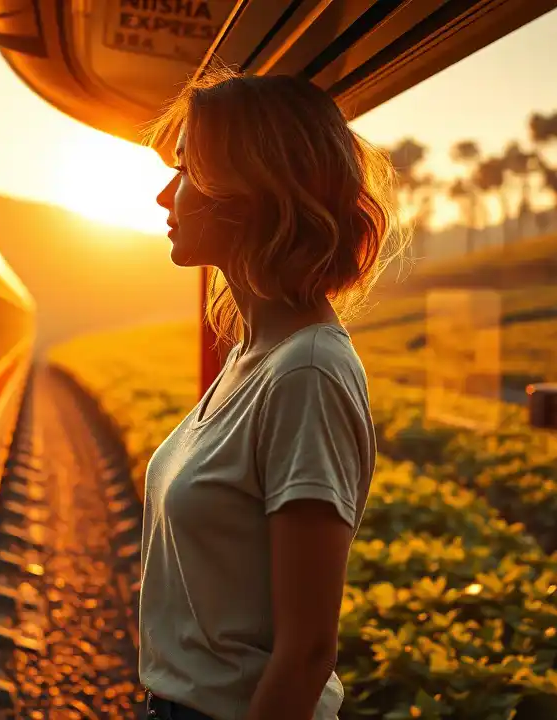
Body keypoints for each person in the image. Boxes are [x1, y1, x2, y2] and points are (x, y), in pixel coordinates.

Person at [136, 63, 408, 720]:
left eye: (185, 172)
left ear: (248, 192)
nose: (162, 198)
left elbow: (308, 653)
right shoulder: (251, 357)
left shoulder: (306, 374)